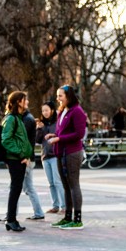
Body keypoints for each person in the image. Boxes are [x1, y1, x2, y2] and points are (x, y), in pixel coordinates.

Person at [46, 85, 88, 230]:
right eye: (57, 96)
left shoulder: (77, 111)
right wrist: (55, 135)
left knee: (73, 184)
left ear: (68, 96)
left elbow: (79, 134)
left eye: (60, 96)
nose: (58, 99)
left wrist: (59, 139)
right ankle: (67, 217)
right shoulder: (63, 111)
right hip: (61, 152)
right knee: (65, 186)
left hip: (72, 153)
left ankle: (77, 220)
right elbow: (62, 131)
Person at [0, 91, 33, 232]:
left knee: (16, 189)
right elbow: (6, 140)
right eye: (25, 100)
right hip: (15, 160)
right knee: (15, 189)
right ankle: (11, 220)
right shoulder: (12, 119)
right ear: (19, 101)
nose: (27, 102)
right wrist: (21, 155)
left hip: (19, 159)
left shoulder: (17, 118)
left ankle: (11, 219)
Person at [35, 103, 64, 214]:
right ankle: (55, 206)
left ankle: (64, 206)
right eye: (43, 111)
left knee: (57, 182)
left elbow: (60, 136)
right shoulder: (42, 124)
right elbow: (37, 140)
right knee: (51, 183)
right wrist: (39, 129)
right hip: (45, 156)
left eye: (47, 110)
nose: (45, 113)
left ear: (52, 110)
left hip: (55, 155)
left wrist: (52, 135)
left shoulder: (58, 122)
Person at [20, 105, 44, 221]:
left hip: (26, 159)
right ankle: (38, 212)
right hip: (28, 158)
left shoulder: (27, 120)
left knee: (17, 188)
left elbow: (26, 141)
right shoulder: (27, 118)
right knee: (28, 188)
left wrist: (26, 157)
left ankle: (10, 214)